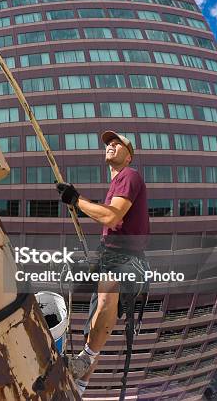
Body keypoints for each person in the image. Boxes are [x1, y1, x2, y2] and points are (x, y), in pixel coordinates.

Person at [55, 131, 150, 396]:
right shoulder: (115, 185)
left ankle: (85, 359)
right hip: (111, 256)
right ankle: (80, 387)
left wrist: (78, 200)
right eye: (109, 143)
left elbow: (110, 217)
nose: (111, 145)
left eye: (118, 143)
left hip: (127, 260)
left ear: (128, 156)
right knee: (96, 327)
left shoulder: (129, 176)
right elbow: (111, 220)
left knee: (107, 301)